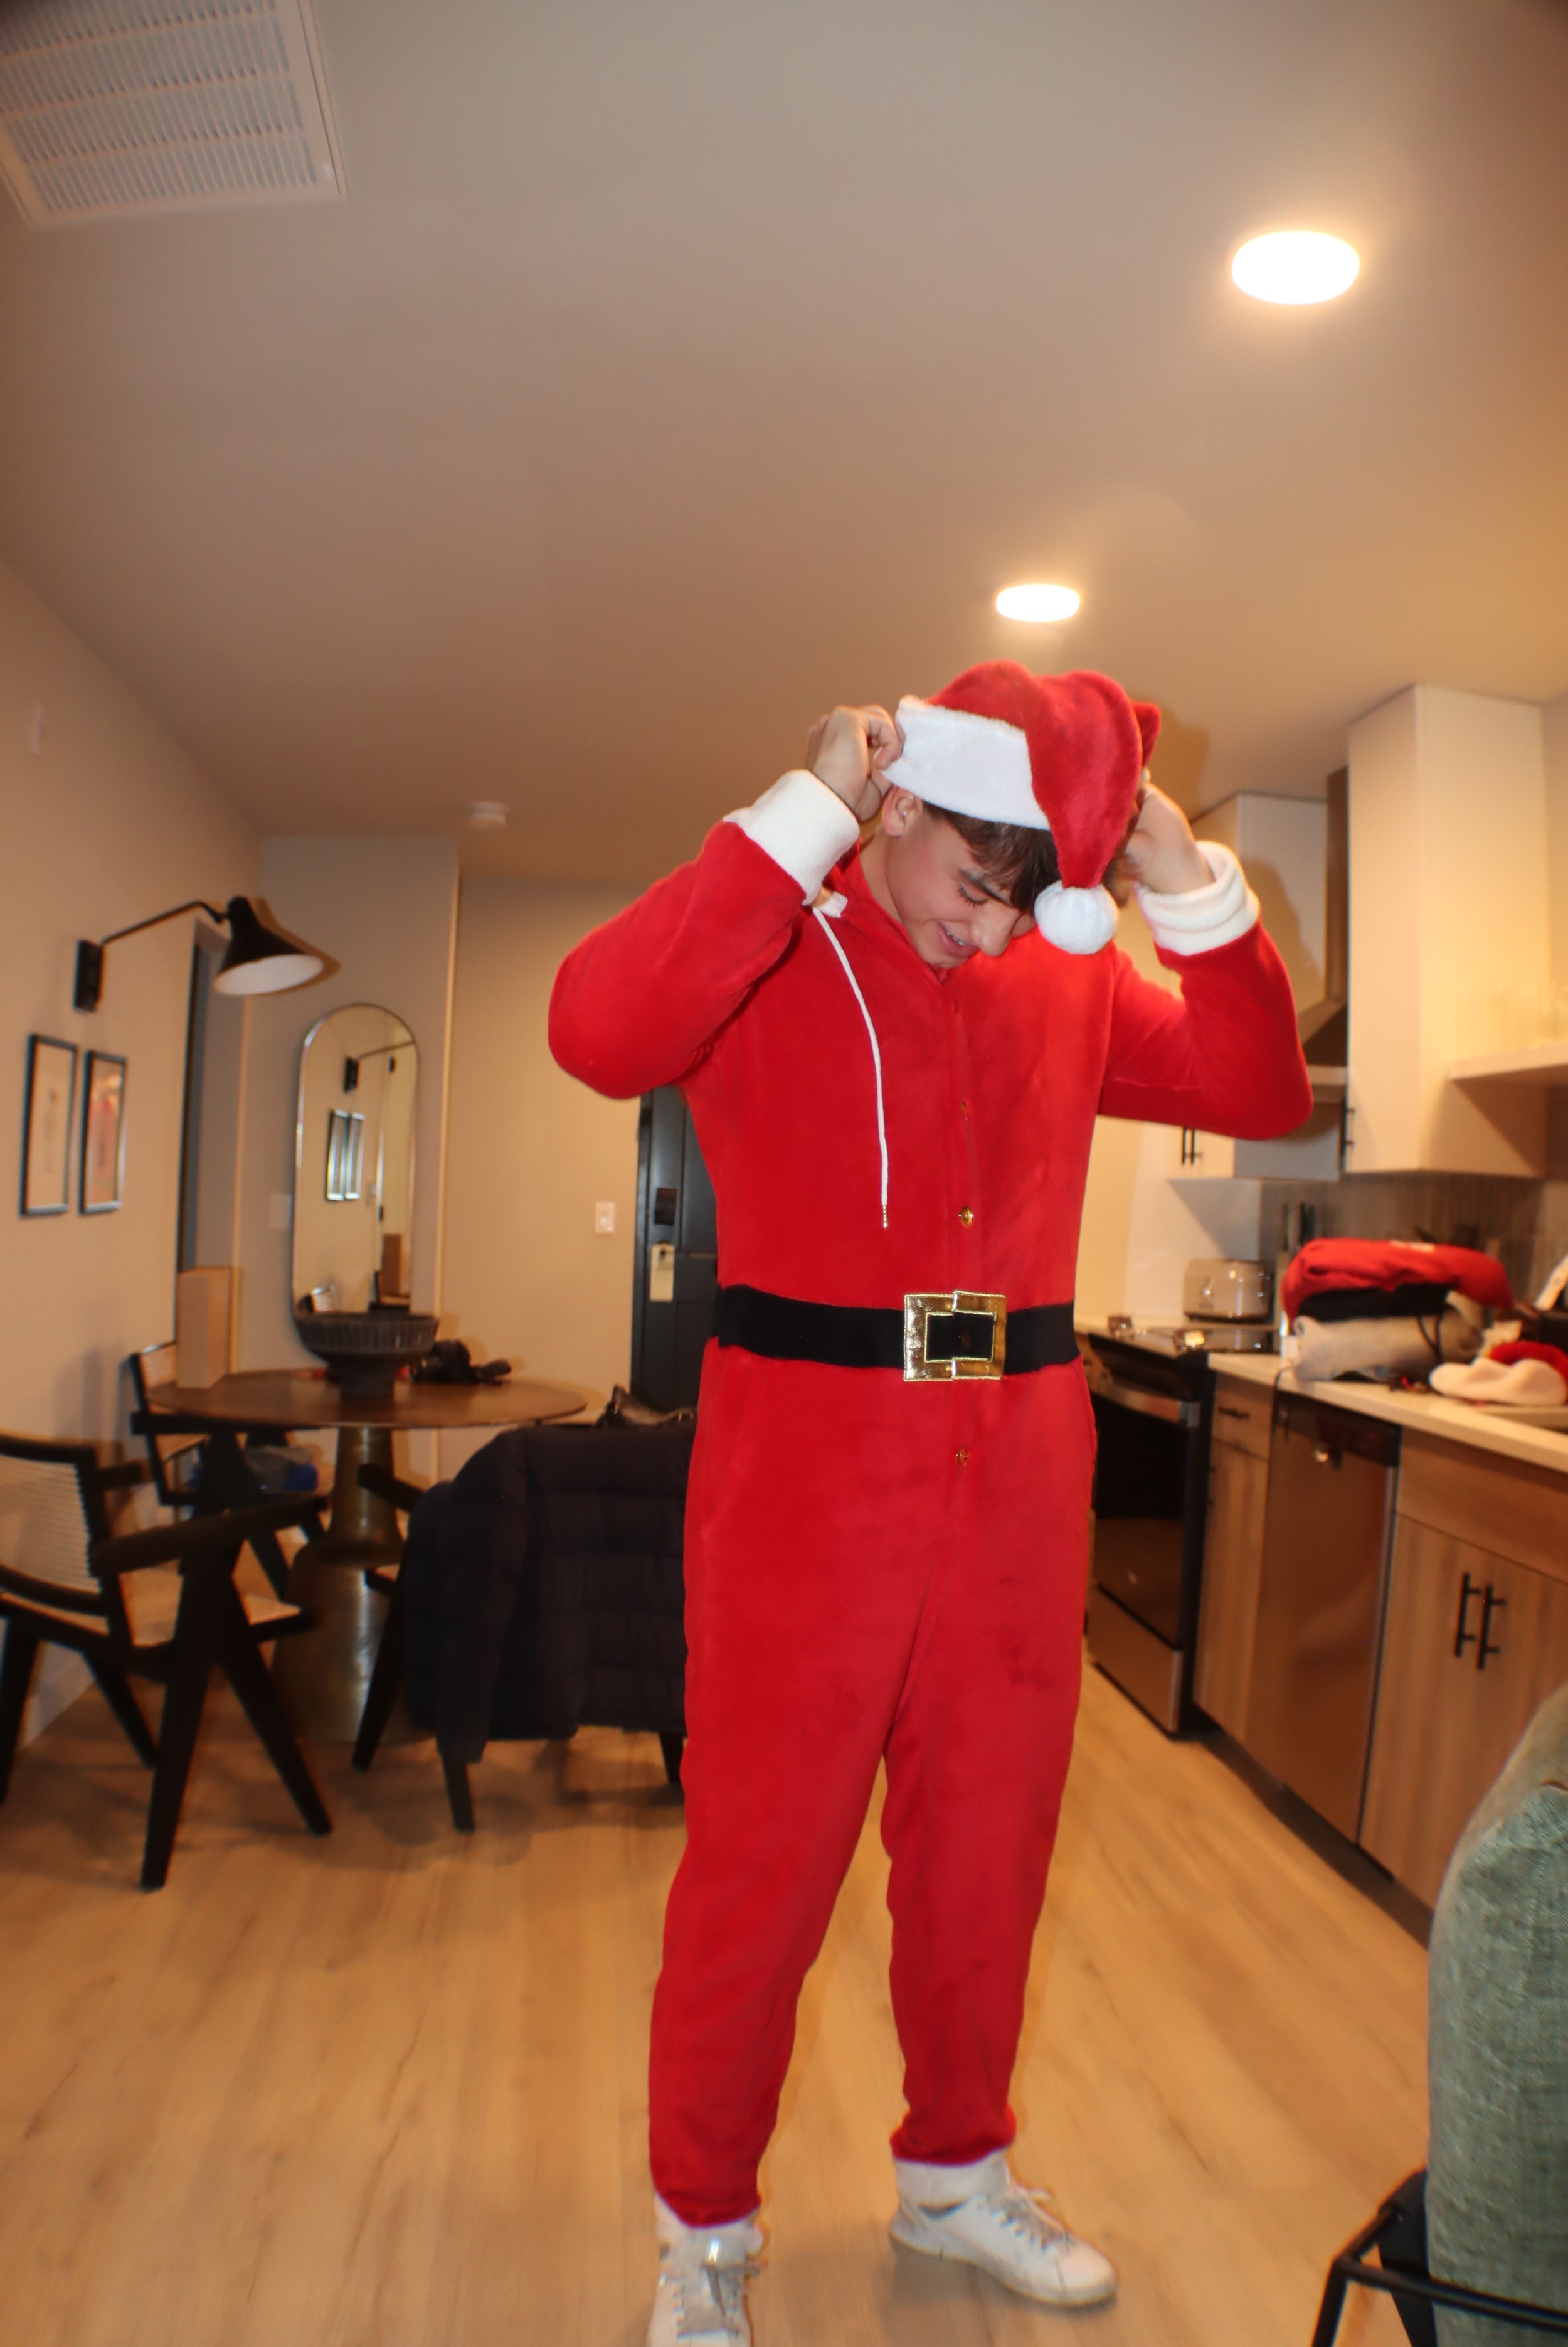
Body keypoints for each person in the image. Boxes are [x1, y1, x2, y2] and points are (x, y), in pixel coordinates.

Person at [549, 662, 1311, 2346]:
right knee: (759, 1881)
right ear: (896, 805)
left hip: (1017, 1484)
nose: (991, 932)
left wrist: (1180, 878)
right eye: (974, 883)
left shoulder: (1061, 974)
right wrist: (795, 814)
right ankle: (702, 2236)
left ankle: (956, 2178)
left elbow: (1259, 1093)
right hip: (802, 1488)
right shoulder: (775, 935)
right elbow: (594, 1031)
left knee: (985, 1867)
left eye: (1027, 901)